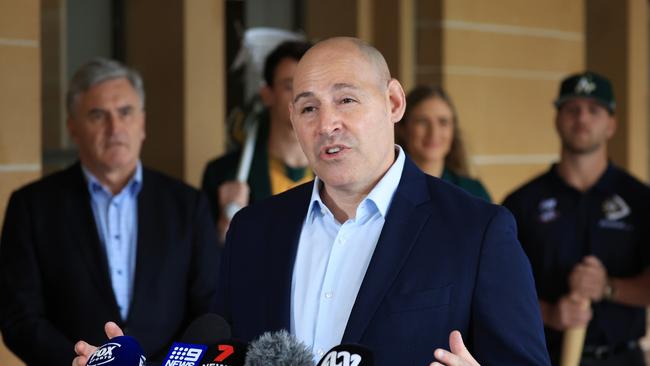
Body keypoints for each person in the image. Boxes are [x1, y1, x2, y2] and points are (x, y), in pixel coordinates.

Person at [74, 38, 550, 366]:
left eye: (346, 100)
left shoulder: (478, 232)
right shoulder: (253, 231)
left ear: (394, 103)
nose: (327, 124)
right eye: (308, 107)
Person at [0, 58, 220, 365]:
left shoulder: (188, 205)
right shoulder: (32, 207)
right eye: (97, 115)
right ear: (72, 128)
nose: (114, 128)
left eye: (125, 112)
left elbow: (209, 308)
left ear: (142, 122)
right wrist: (85, 362)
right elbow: (18, 317)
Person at [503, 71, 650, 365]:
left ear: (611, 124)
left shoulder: (640, 199)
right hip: (543, 355)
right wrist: (550, 314)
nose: (582, 118)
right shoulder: (522, 203)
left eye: (594, 110)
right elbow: (499, 291)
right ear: (557, 119)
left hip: (622, 357)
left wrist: (608, 287)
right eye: (572, 109)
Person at [202, 40, 313, 241]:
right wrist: (225, 229)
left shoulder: (340, 172)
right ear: (267, 94)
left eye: (309, 86)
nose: (302, 96)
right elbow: (209, 263)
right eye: (289, 86)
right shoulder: (222, 174)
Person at [397, 85, 491, 201]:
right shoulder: (386, 188)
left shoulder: (473, 191)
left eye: (443, 122)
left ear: (453, 130)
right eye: (422, 121)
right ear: (403, 129)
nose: (434, 133)